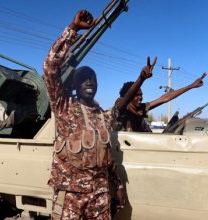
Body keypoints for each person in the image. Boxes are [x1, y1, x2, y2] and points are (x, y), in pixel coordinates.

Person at [43, 10, 126, 219]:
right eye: (83, 78)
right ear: (73, 84)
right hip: (70, 194)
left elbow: (109, 157)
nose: (89, 81)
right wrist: (73, 29)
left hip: (100, 194)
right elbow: (50, 68)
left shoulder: (102, 116)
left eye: (93, 78)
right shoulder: (64, 106)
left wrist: (117, 186)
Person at [113, 61, 207, 132]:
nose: (140, 97)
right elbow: (126, 98)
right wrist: (141, 78)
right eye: (136, 95)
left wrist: (191, 86)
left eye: (141, 95)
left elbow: (164, 98)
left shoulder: (141, 108)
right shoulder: (120, 108)